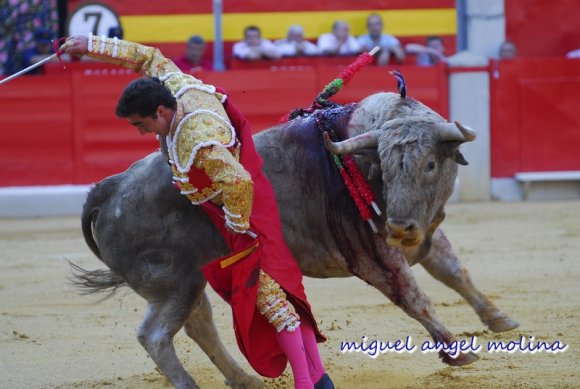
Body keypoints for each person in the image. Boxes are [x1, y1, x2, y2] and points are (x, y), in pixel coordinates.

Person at [59, 34, 333, 389]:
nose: (142, 133)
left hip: (242, 213)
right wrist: (89, 46)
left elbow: (238, 182)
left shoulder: (198, 140)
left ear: (160, 111)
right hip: (239, 204)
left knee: (267, 298)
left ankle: (305, 384)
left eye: (142, 124)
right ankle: (318, 379)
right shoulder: (173, 82)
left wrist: (238, 227)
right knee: (283, 291)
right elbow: (147, 55)